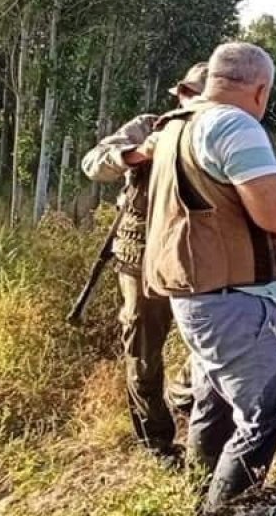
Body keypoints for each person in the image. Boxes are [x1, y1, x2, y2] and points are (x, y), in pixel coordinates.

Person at [141, 42, 276, 511]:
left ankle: (198, 497)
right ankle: (228, 509)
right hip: (230, 301)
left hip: (197, 293)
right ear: (261, 89)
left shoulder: (177, 123)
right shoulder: (233, 123)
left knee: (215, 406)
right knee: (265, 413)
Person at [79, 62, 205, 464]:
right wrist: (137, 153)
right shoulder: (149, 126)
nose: (191, 104)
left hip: (193, 257)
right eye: (187, 95)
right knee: (144, 351)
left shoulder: (215, 133)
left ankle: (183, 396)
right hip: (140, 257)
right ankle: (156, 441)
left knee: (211, 341)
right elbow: (93, 163)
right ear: (180, 94)